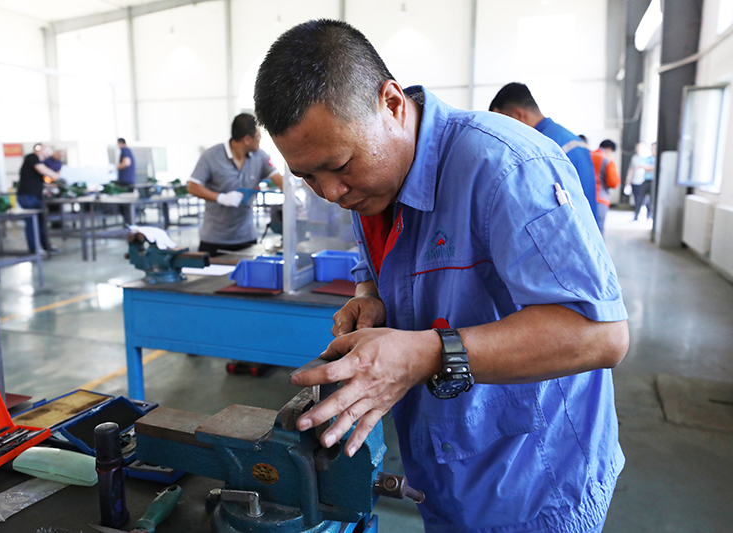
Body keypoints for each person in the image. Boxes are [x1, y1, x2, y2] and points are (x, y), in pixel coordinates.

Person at [254, 19, 628, 533]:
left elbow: (600, 336)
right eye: (308, 177)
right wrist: (370, 294)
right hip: (446, 473)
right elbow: (377, 257)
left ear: (391, 103)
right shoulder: (371, 183)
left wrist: (425, 354)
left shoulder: (508, 167)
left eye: (338, 166)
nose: (331, 193)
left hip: (535, 487)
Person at [489, 83, 600, 228]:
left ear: (518, 115)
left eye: (502, 122)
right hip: (589, 231)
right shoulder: (570, 139)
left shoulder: (538, 148)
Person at [187, 113, 283, 256]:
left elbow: (279, 179)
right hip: (214, 240)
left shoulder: (260, 156)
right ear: (247, 139)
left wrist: (293, 197)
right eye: (258, 137)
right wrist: (221, 198)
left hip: (246, 238)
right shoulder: (211, 156)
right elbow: (192, 186)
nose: (260, 140)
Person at [17, 143, 60, 254]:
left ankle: (46, 246)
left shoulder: (38, 164)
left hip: (35, 197)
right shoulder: (32, 157)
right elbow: (42, 170)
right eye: (46, 149)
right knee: (32, 222)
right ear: (39, 149)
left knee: (41, 222)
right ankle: (35, 249)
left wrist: (54, 185)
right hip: (27, 197)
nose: (48, 152)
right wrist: (56, 175)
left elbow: (39, 182)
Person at [591, 139, 621, 234]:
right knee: (599, 230)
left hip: (585, 196)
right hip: (600, 198)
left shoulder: (588, 155)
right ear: (609, 149)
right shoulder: (608, 159)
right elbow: (613, 182)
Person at [625, 142, 655, 221]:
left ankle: (649, 215)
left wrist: (645, 167)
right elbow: (633, 168)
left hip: (651, 181)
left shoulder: (652, 158)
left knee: (649, 200)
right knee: (639, 199)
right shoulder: (639, 158)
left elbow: (652, 168)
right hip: (640, 181)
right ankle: (636, 215)